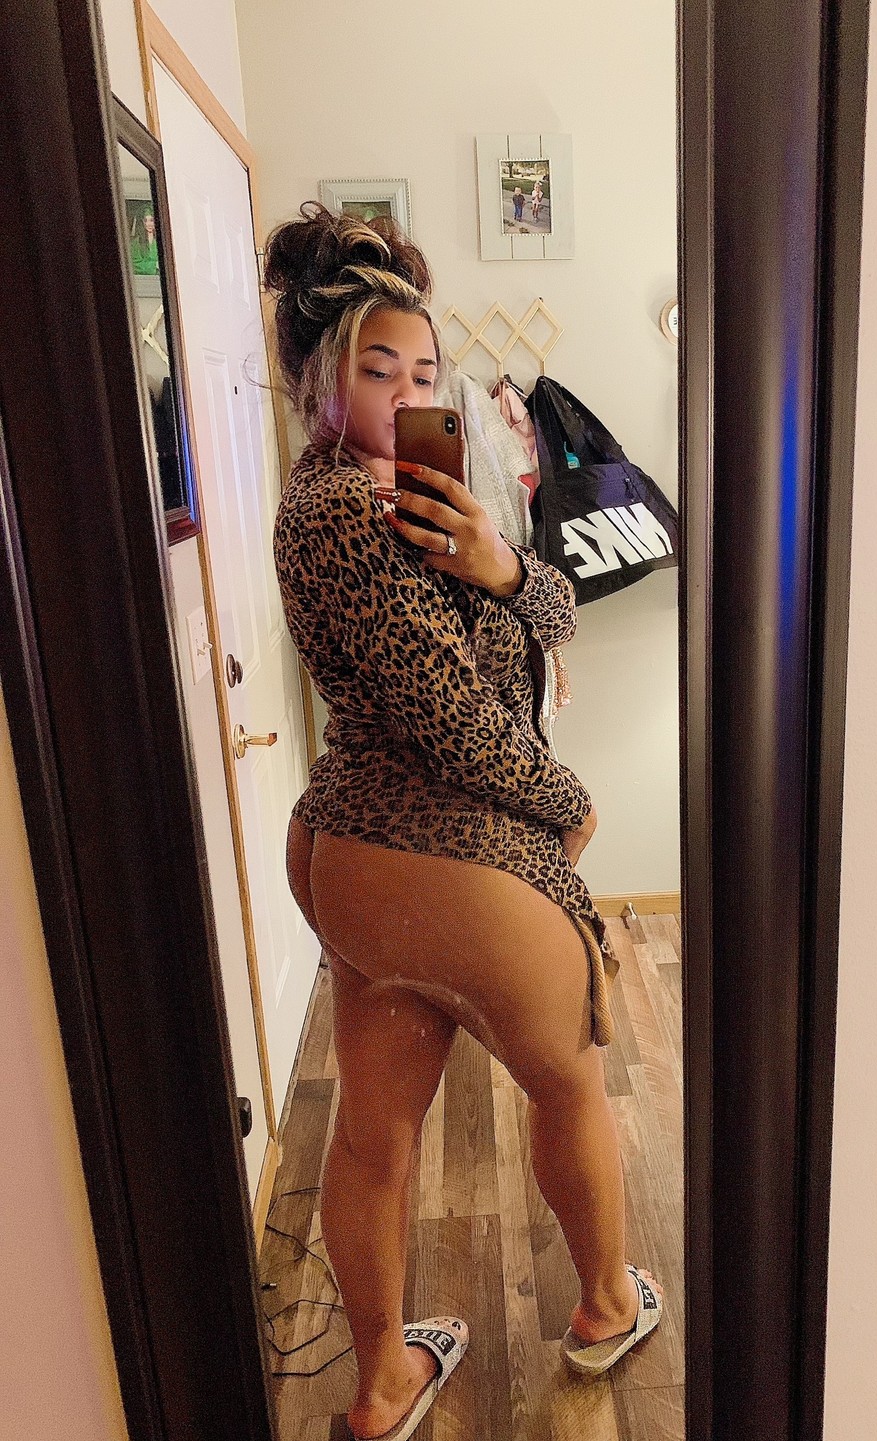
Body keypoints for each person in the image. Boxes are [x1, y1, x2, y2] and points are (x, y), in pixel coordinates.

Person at [265, 201, 663, 1441]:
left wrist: (500, 562)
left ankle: (384, 1381)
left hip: (358, 856)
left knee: (375, 1132)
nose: (406, 395)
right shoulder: (346, 511)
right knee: (569, 1079)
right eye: (375, 371)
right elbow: (450, 717)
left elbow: (555, 610)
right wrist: (569, 804)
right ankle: (606, 1304)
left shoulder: (404, 499)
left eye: (424, 371)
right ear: (317, 381)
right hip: (445, 847)